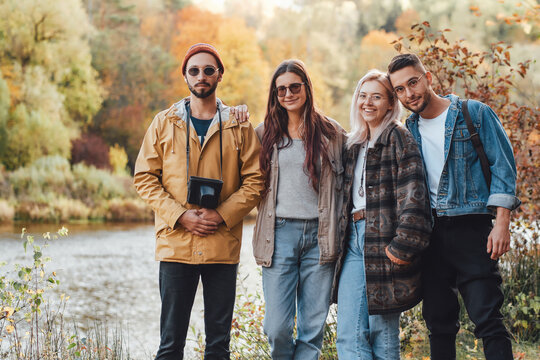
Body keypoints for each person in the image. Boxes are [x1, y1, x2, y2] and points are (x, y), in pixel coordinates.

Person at [133, 43, 264, 360]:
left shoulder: (239, 124)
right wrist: (179, 216)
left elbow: (256, 180)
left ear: (219, 74)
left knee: (218, 347)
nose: (201, 76)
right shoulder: (163, 123)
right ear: (185, 76)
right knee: (170, 345)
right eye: (194, 70)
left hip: (222, 246)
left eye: (208, 70)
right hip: (176, 245)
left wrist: (222, 215)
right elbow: (144, 177)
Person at [387, 53, 521, 360]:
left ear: (428, 78)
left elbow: (504, 167)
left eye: (413, 82)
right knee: (439, 322)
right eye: (400, 90)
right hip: (429, 235)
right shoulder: (409, 129)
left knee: (488, 318)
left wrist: (502, 223)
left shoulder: (473, 112)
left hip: (471, 228)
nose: (409, 94)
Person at [332, 69, 431, 359]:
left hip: (386, 243)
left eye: (376, 97)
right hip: (353, 241)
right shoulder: (354, 144)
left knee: (382, 335)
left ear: (390, 103)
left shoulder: (399, 137)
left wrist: (401, 247)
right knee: (349, 334)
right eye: (363, 96)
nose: (368, 103)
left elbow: (415, 195)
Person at [251, 59, 346, 360]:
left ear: (306, 88)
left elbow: (350, 184)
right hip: (278, 236)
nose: (288, 94)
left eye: (294, 86)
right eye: (281, 90)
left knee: (312, 328)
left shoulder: (332, 133)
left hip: (321, 237)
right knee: (276, 326)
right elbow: (246, 181)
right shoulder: (263, 133)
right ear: (274, 94)